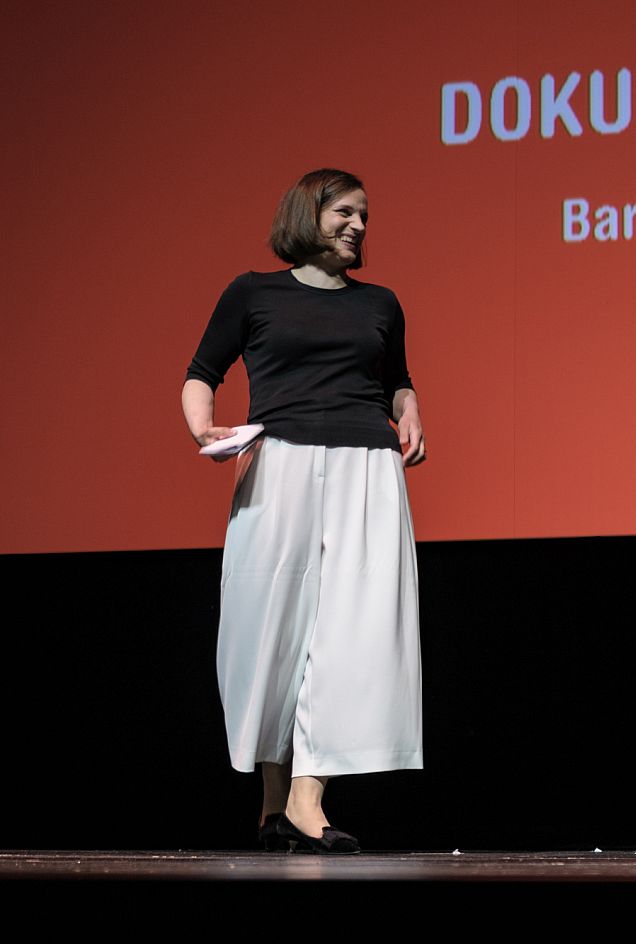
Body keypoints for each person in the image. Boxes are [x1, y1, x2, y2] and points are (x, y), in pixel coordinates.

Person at [182, 169, 427, 854]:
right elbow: (201, 373)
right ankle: (273, 807)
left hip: (365, 466)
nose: (358, 226)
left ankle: (307, 798)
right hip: (278, 463)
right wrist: (203, 429)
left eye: (364, 216)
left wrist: (410, 412)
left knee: (353, 632)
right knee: (271, 633)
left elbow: (397, 381)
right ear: (306, 214)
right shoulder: (252, 292)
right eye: (345, 211)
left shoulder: (380, 303)